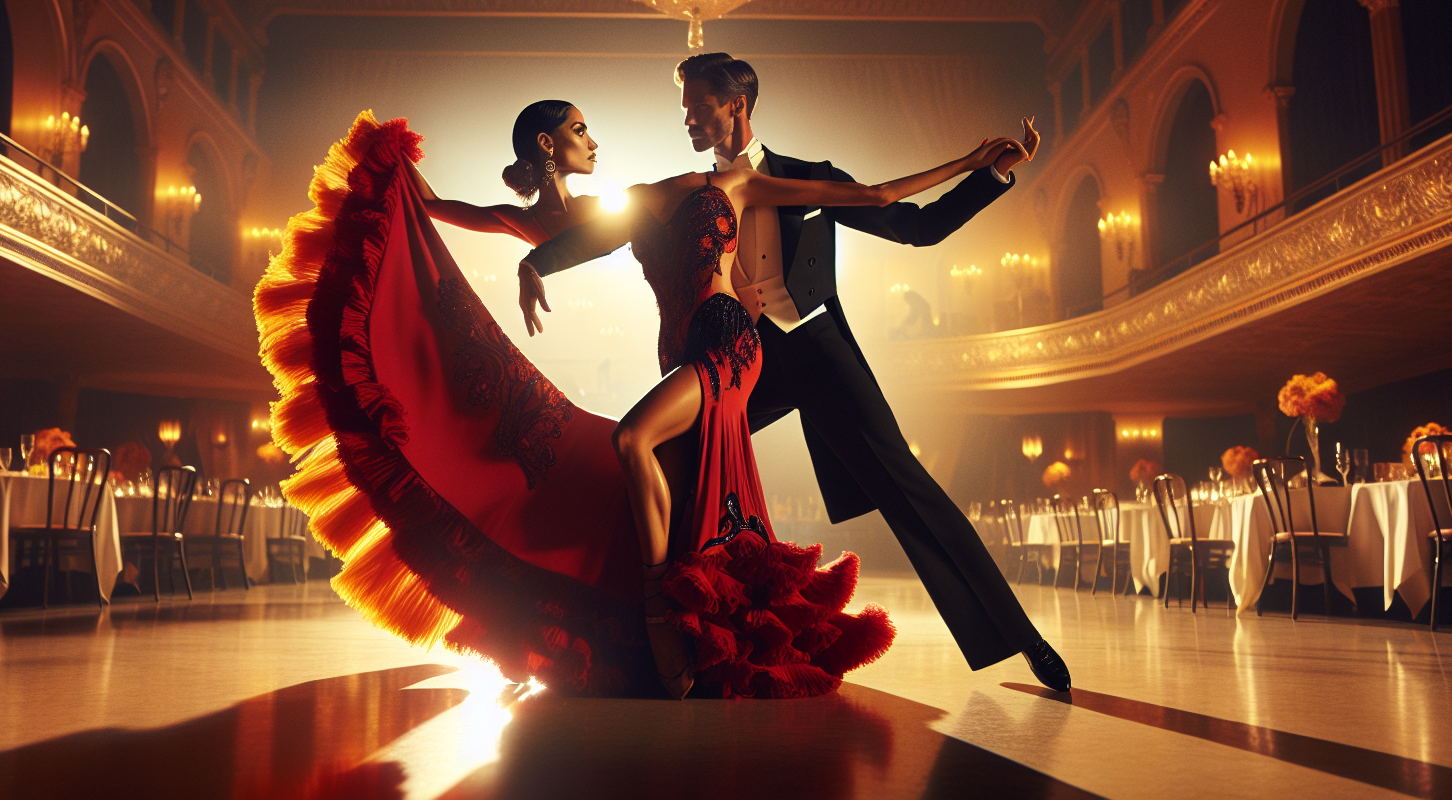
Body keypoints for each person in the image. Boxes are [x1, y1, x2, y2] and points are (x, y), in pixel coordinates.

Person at [254, 101, 1002, 699]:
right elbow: (456, 211)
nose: (596, 140)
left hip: (728, 341)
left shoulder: (716, 188)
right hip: (684, 351)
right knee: (634, 482)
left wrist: (972, 164)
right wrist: (399, 178)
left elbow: (873, 197)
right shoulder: (612, 207)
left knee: (631, 441)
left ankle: (660, 617)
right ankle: (677, 631)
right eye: (580, 130)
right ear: (548, 146)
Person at [516, 54, 1072, 693]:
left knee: (911, 490)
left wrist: (989, 173)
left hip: (818, 349)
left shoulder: (809, 179)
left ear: (737, 106)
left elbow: (915, 226)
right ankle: (652, 635)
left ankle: (1022, 638)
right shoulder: (690, 187)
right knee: (663, 461)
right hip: (741, 360)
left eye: (699, 105)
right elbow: (609, 229)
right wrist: (541, 262)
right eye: (685, 108)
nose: (689, 118)